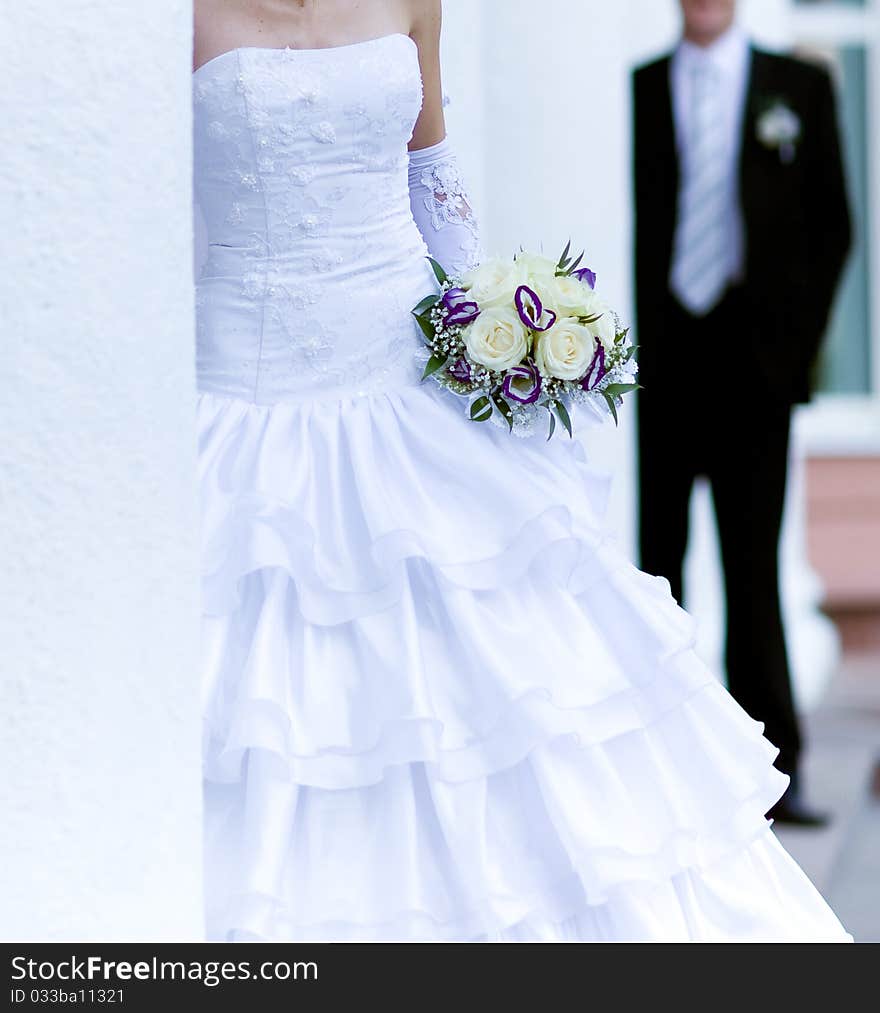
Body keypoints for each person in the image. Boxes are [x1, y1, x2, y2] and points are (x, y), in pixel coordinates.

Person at [194, 0, 851, 940]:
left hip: (404, 380)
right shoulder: (171, 15)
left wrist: (510, 330)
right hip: (238, 390)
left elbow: (433, 176)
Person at [632, 0, 852, 827]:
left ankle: (774, 775)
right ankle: (661, 766)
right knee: (658, 567)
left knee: (753, 573)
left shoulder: (796, 84)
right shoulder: (640, 89)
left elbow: (835, 226)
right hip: (659, 366)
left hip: (756, 371)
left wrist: (791, 349)